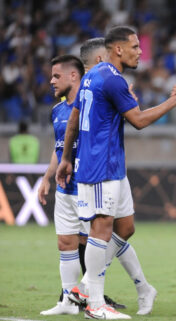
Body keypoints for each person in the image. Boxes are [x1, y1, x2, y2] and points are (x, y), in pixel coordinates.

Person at [56, 26, 176, 320]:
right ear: (117, 49)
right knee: (100, 229)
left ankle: (114, 288)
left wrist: (67, 158)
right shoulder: (111, 79)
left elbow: (76, 116)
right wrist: (175, 101)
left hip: (114, 166)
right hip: (100, 165)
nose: (140, 52)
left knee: (125, 227)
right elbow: (139, 121)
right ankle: (94, 303)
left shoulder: (94, 76)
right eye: (134, 47)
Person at [38, 54, 86, 316]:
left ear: (73, 76)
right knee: (65, 243)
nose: (51, 80)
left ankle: (98, 296)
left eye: (57, 76)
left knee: (99, 242)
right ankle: (68, 301)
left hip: (90, 186)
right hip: (65, 187)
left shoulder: (92, 104)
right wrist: (46, 178)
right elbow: (59, 148)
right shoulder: (57, 110)